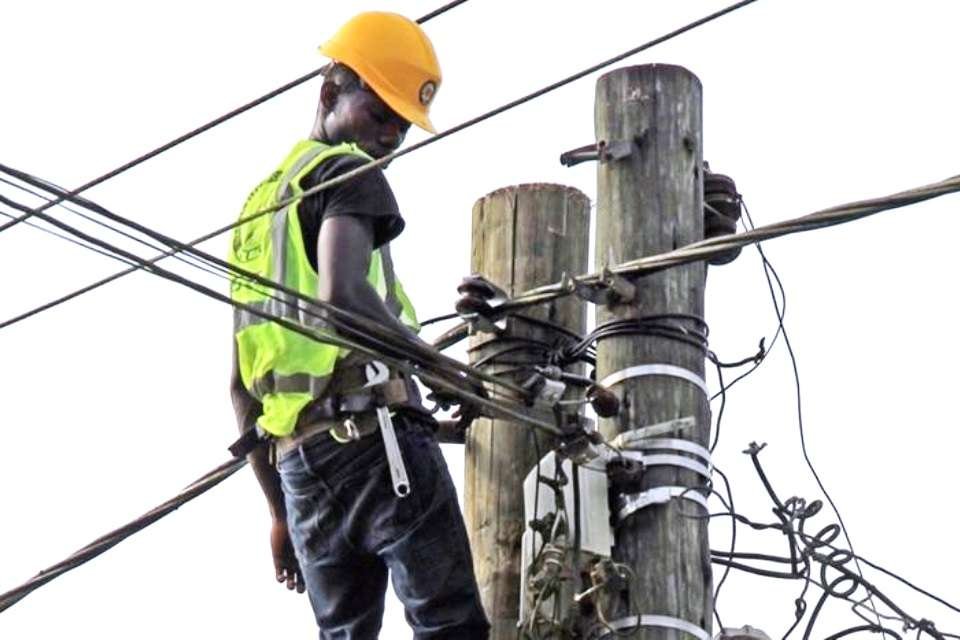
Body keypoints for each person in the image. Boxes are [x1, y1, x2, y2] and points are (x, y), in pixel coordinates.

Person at [227, 12, 489, 640]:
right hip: (373, 440)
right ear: (329, 93)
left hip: (301, 471)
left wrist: (279, 512)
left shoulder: (257, 212)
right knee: (449, 624)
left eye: (402, 125)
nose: (389, 137)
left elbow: (242, 390)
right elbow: (341, 295)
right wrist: (439, 367)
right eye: (379, 114)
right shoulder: (348, 173)